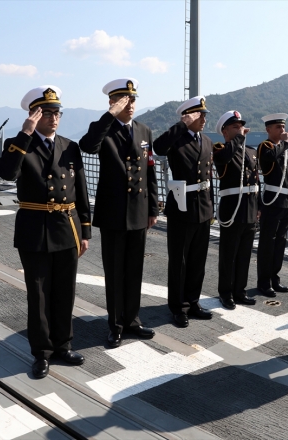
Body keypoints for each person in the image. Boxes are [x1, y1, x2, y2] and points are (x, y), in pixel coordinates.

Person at [0, 86, 91, 378]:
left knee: (65, 291)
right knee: (38, 296)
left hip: (67, 227)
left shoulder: (69, 146)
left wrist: (85, 229)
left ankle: (63, 345)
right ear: (33, 115)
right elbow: (7, 173)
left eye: (56, 112)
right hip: (35, 229)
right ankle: (42, 353)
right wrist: (25, 134)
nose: (52, 117)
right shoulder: (19, 144)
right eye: (46, 112)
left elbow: (82, 191)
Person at [79, 78, 158, 348]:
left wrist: (153, 208)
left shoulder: (144, 131)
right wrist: (110, 116)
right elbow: (87, 145)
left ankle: (133, 320)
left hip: (138, 211)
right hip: (113, 212)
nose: (130, 105)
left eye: (133, 99)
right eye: (124, 100)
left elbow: (150, 172)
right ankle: (115, 325)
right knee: (114, 272)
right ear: (113, 102)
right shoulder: (103, 129)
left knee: (135, 270)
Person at [153, 96, 214, 328]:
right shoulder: (176, 140)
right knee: (180, 261)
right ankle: (178, 307)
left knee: (198, 259)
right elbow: (157, 147)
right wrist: (181, 125)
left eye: (205, 115)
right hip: (181, 206)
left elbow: (208, 179)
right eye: (200, 115)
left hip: (203, 207)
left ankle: (193, 301)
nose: (204, 119)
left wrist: (211, 209)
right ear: (189, 117)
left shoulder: (207, 142)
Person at [213, 111, 259, 310]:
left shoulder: (250, 150)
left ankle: (240, 290)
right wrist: (238, 139)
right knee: (228, 255)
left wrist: (260, 207)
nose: (240, 129)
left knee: (244, 254)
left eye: (241, 126)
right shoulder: (221, 148)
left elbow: (256, 181)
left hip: (249, 208)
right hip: (232, 209)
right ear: (225, 132)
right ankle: (225, 293)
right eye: (235, 127)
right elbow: (224, 158)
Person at [256, 113, 288, 297]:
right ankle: (263, 282)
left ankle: (274, 279)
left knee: (280, 243)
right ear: (268, 129)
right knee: (267, 243)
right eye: (278, 127)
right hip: (271, 201)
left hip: (285, 202)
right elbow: (270, 158)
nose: (282, 130)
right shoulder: (266, 146)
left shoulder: (283, 150)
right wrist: (284, 144)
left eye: (283, 127)